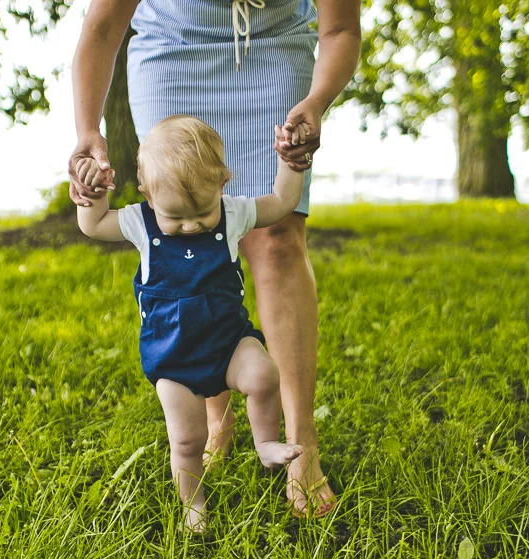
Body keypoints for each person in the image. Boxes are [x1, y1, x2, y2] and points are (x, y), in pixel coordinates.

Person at [69, 0, 362, 518]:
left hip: (272, 48)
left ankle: (300, 445)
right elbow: (103, 25)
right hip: (173, 48)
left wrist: (309, 118)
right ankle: (216, 421)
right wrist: (88, 141)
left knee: (275, 239)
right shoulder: (139, 219)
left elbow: (340, 28)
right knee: (182, 201)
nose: (190, 225)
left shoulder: (235, 205)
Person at [77, 115, 309, 532]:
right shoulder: (140, 222)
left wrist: (291, 165)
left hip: (229, 343)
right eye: (175, 217)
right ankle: (193, 504)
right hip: (173, 356)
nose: (191, 225)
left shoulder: (232, 213)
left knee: (263, 374)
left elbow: (280, 203)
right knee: (187, 439)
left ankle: (265, 442)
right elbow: (93, 225)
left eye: (202, 212)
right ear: (148, 196)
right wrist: (91, 195)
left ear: (222, 184)